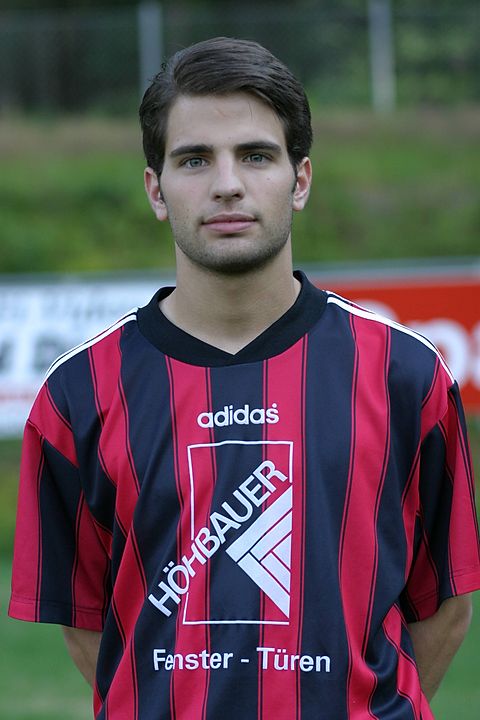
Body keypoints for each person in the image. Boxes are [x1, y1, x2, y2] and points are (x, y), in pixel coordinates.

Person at [9, 36, 480, 720]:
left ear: (300, 180)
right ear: (156, 190)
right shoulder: (78, 393)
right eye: (194, 159)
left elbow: (446, 607)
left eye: (256, 155)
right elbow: (89, 625)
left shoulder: (406, 374)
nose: (227, 183)